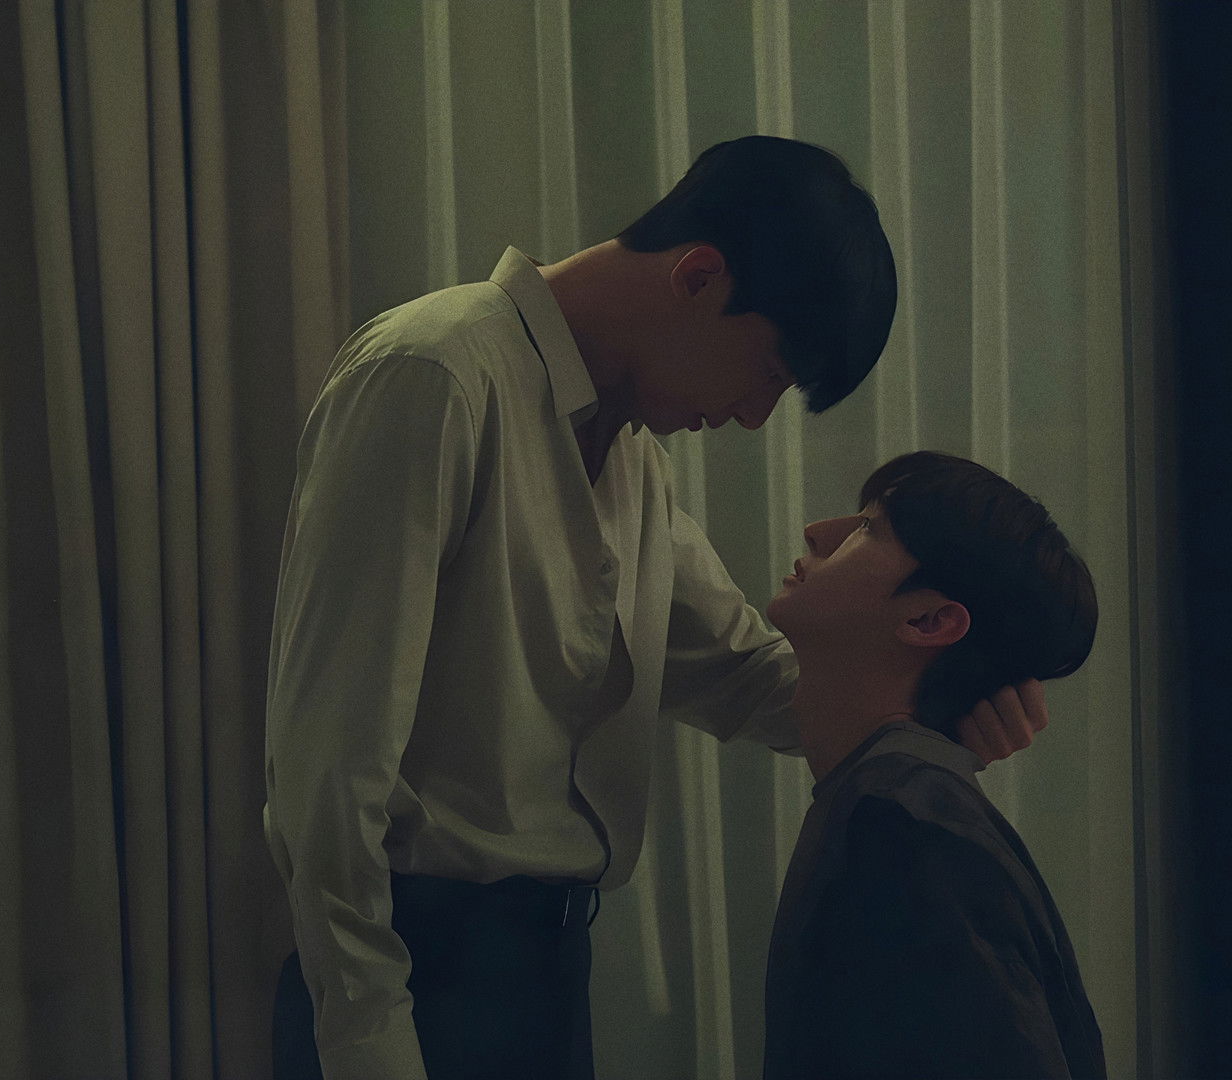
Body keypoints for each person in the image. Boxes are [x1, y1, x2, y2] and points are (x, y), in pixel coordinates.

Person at [263, 135, 1051, 1080]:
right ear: (699, 277)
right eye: (769, 373)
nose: (753, 417)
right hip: (412, 975)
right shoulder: (434, 375)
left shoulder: (631, 457)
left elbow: (748, 675)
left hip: (546, 972)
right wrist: (369, 1045)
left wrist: (938, 701)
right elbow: (328, 767)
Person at [759, 450, 1107, 1079]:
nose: (818, 532)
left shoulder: (904, 827)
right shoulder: (891, 802)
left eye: (870, 528)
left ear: (928, 620)